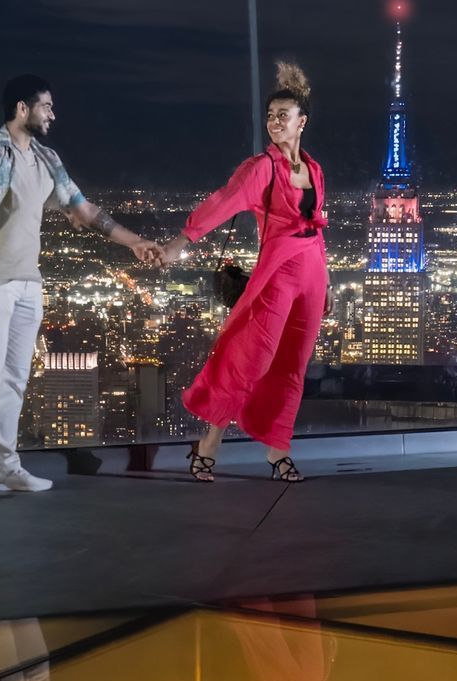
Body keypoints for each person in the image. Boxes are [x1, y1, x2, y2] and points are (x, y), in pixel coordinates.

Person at [0, 75, 161, 502]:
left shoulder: (47, 159)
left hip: (28, 283)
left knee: (15, 378)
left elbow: (84, 209)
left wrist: (134, 242)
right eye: (46, 106)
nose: (53, 114)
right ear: (23, 108)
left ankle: (2, 466)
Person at [160, 62, 328, 483]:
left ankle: (278, 451)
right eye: (270, 116)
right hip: (278, 271)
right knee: (251, 358)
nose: (275, 122)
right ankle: (208, 444)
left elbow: (316, 227)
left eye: (283, 116)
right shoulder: (261, 168)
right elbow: (224, 201)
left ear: (301, 122)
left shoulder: (314, 170)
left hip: (312, 272)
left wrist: (324, 284)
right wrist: (181, 241)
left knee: (293, 366)